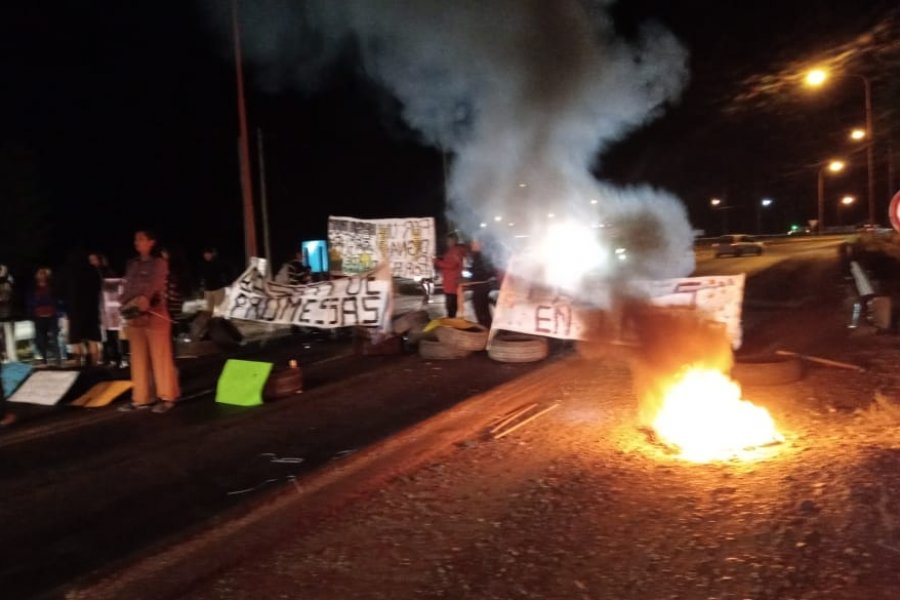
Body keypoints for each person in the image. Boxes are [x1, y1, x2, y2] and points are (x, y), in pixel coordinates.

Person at [119, 230, 180, 413]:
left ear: (152, 242)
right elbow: (127, 285)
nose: (137, 242)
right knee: (138, 358)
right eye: (136, 238)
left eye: (141, 238)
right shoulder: (132, 264)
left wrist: (144, 299)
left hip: (155, 314)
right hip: (135, 316)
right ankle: (141, 398)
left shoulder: (159, 263)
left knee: (160, 357)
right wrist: (124, 304)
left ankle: (168, 397)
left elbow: (156, 283)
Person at [59, 250, 102, 366]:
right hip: (91, 309)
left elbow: (61, 290)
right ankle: (94, 363)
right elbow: (99, 287)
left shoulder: (68, 271)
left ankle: (79, 364)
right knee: (92, 338)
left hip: (75, 309)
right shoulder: (92, 270)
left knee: (76, 339)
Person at [27, 267, 62, 366]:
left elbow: (57, 300)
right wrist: (31, 312)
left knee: (55, 338)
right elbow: (30, 301)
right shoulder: (33, 287)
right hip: (38, 316)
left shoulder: (52, 286)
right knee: (40, 340)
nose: (41, 275)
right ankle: (44, 359)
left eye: (43, 273)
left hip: (52, 315)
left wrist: (58, 311)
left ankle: (58, 360)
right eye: (39, 273)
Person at [433, 232, 468, 318]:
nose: (447, 242)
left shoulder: (455, 250)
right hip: (450, 281)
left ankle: (452, 322)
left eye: (448, 240)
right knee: (450, 304)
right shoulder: (453, 250)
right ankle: (451, 320)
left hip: (452, 282)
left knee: (451, 305)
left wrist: (437, 262)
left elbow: (452, 264)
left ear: (453, 240)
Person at [467, 239, 496, 329]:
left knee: (481, 310)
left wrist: (471, 273)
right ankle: (486, 328)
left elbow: (482, 272)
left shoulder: (481, 256)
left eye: (474, 244)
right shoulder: (478, 256)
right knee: (483, 310)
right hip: (481, 286)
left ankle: (485, 330)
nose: (472, 246)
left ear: (480, 244)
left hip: (481, 287)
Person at [198, 247, 229, 314]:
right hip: (208, 290)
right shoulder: (203, 264)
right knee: (208, 311)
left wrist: (227, 282)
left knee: (219, 311)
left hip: (218, 290)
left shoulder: (219, 263)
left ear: (212, 254)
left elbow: (227, 272)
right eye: (205, 254)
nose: (206, 255)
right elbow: (202, 277)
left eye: (208, 254)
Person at [0, 264, 16, 361]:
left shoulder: (8, 282)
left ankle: (12, 360)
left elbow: (6, 297)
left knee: (9, 339)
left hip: (8, 315)